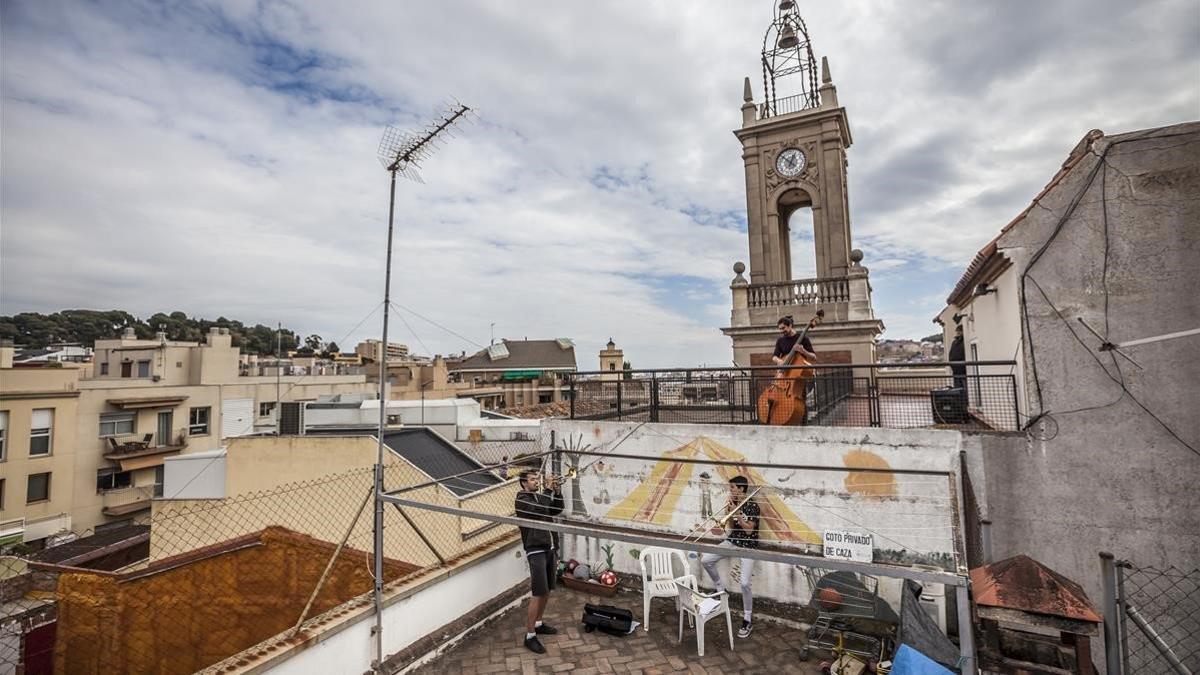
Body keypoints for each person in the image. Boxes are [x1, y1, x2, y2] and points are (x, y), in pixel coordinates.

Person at [700, 475, 761, 638]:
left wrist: (738, 514)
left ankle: (747, 618)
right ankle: (720, 589)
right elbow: (732, 527)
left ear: (741, 489)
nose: (730, 491)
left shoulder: (753, 506)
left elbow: (749, 531)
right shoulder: (733, 504)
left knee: (745, 583)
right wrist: (729, 512)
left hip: (748, 547)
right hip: (733, 541)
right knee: (706, 560)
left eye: (733, 488)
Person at [515, 469, 564, 654]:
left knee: (547, 590)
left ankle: (538, 623)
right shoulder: (522, 500)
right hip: (535, 549)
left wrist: (557, 492)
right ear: (524, 483)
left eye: (537, 478)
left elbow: (556, 509)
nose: (537, 481)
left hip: (549, 547)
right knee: (538, 592)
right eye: (533, 479)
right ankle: (529, 635)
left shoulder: (538, 497)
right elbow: (539, 510)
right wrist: (549, 491)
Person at [948, 323, 967, 391]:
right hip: (956, 370)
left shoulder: (965, 341)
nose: (958, 332)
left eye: (960, 330)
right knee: (958, 388)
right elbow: (951, 354)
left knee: (964, 388)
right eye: (957, 331)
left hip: (963, 370)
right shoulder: (954, 342)